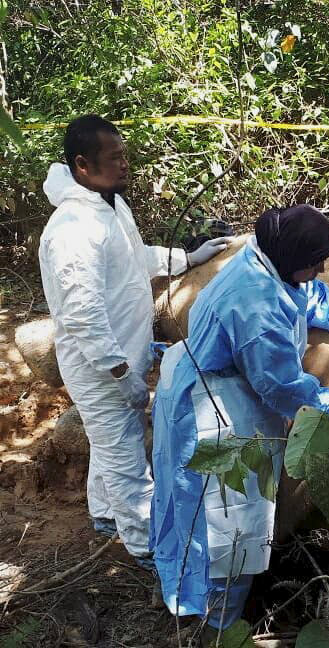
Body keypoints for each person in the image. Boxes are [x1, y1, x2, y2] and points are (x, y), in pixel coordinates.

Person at [149, 205, 329, 632]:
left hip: (204, 385)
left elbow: (307, 296)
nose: (321, 268)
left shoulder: (264, 261)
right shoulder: (254, 302)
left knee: (193, 507)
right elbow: (278, 385)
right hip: (213, 408)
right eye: (314, 261)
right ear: (290, 255)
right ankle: (213, 622)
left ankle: (187, 595)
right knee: (223, 519)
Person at [38, 115, 230, 569]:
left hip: (123, 354)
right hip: (99, 368)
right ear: (82, 164)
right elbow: (82, 314)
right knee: (124, 455)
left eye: (124, 155)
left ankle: (105, 514)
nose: (124, 164)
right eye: (114, 158)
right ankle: (146, 546)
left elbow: (133, 257)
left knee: (111, 443)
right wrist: (119, 371)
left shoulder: (109, 206)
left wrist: (186, 258)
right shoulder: (71, 229)